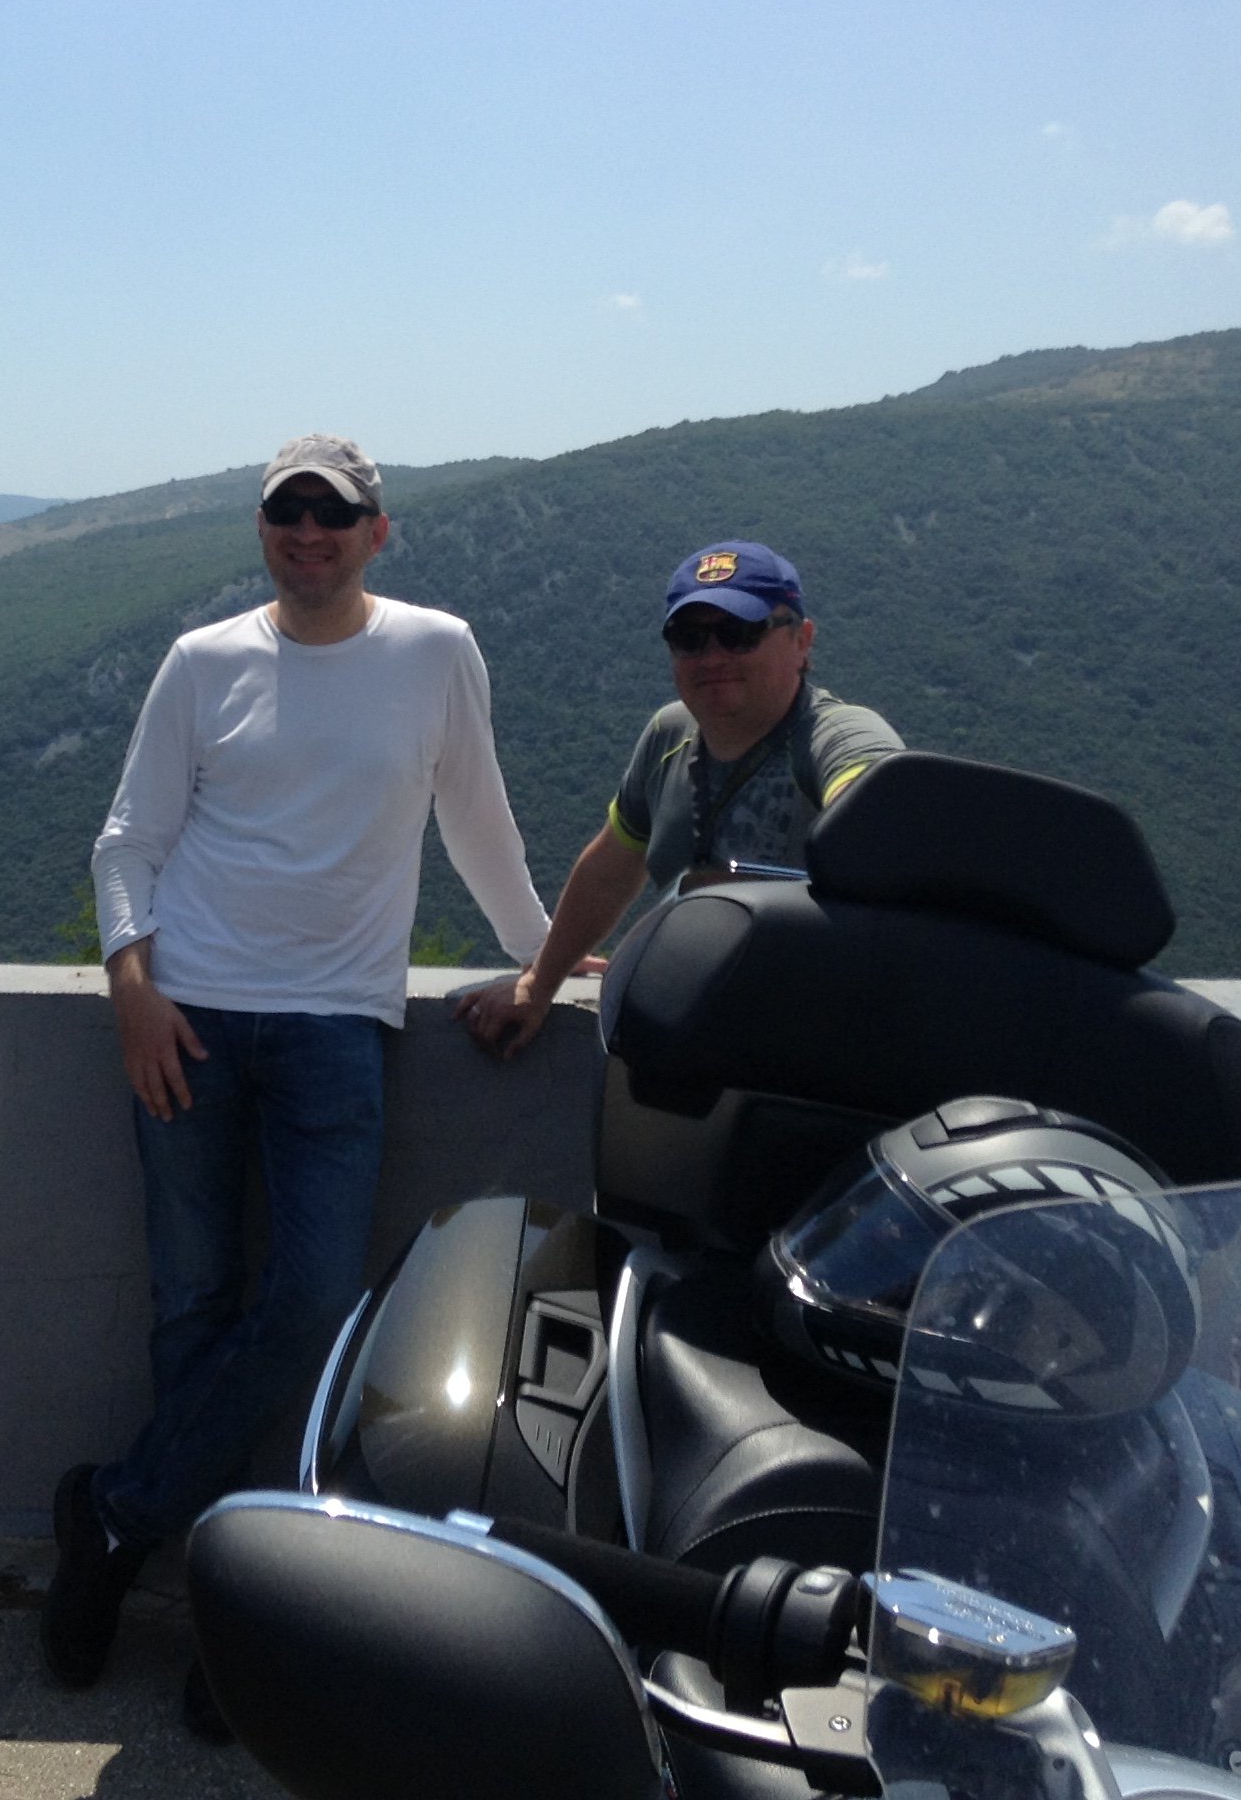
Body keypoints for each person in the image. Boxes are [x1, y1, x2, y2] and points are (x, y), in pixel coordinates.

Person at [47, 432, 553, 1720]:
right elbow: (128, 842)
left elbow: (477, 819)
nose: (309, 533)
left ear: (379, 531)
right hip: (191, 1020)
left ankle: (114, 1516)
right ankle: (221, 1614)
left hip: (336, 1023)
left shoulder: (436, 652)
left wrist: (544, 959)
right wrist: (131, 989)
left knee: (316, 1301)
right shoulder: (202, 662)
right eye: (288, 513)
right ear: (264, 530)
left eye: (335, 514)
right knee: (193, 1304)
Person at [455, 539, 901, 1061]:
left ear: (802, 641)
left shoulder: (834, 736)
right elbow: (609, 873)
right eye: (690, 638)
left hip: (815, 1053)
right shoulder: (670, 735)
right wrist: (538, 983)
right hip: (687, 1041)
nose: (712, 657)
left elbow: (883, 808)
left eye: (739, 634)